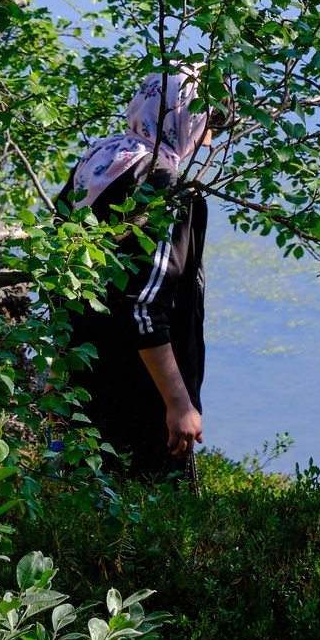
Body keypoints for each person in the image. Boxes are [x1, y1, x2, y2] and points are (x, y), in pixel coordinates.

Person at [58, 72, 214, 483]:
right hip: (139, 394)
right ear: (187, 120)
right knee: (147, 528)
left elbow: (60, 270)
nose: (210, 138)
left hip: (84, 376)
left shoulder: (103, 159)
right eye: (207, 122)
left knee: (80, 508)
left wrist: (56, 370)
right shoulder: (171, 187)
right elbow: (145, 305)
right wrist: (179, 403)